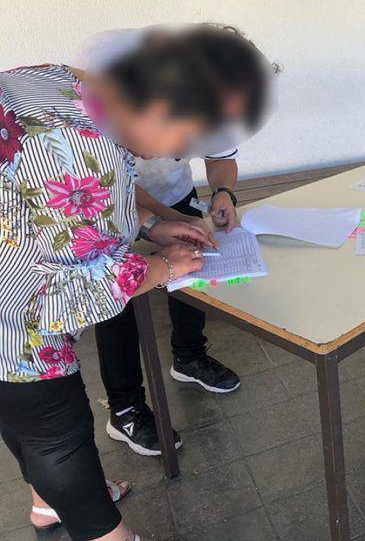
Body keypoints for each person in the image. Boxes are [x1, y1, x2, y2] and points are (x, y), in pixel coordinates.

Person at [0, 31, 257, 540]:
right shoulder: (79, 150)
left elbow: (65, 201)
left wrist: (152, 225)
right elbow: (61, 298)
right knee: (59, 438)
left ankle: (47, 506)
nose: (180, 153)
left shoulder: (67, 84)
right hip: (17, 319)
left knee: (21, 419)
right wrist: (162, 268)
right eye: (185, 139)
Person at [88, 25, 273, 456]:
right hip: (109, 204)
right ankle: (125, 408)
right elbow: (112, 180)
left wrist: (222, 193)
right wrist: (164, 221)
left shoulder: (218, 100)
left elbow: (221, 158)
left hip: (171, 198)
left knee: (190, 270)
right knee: (119, 299)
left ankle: (188, 356)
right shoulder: (118, 92)